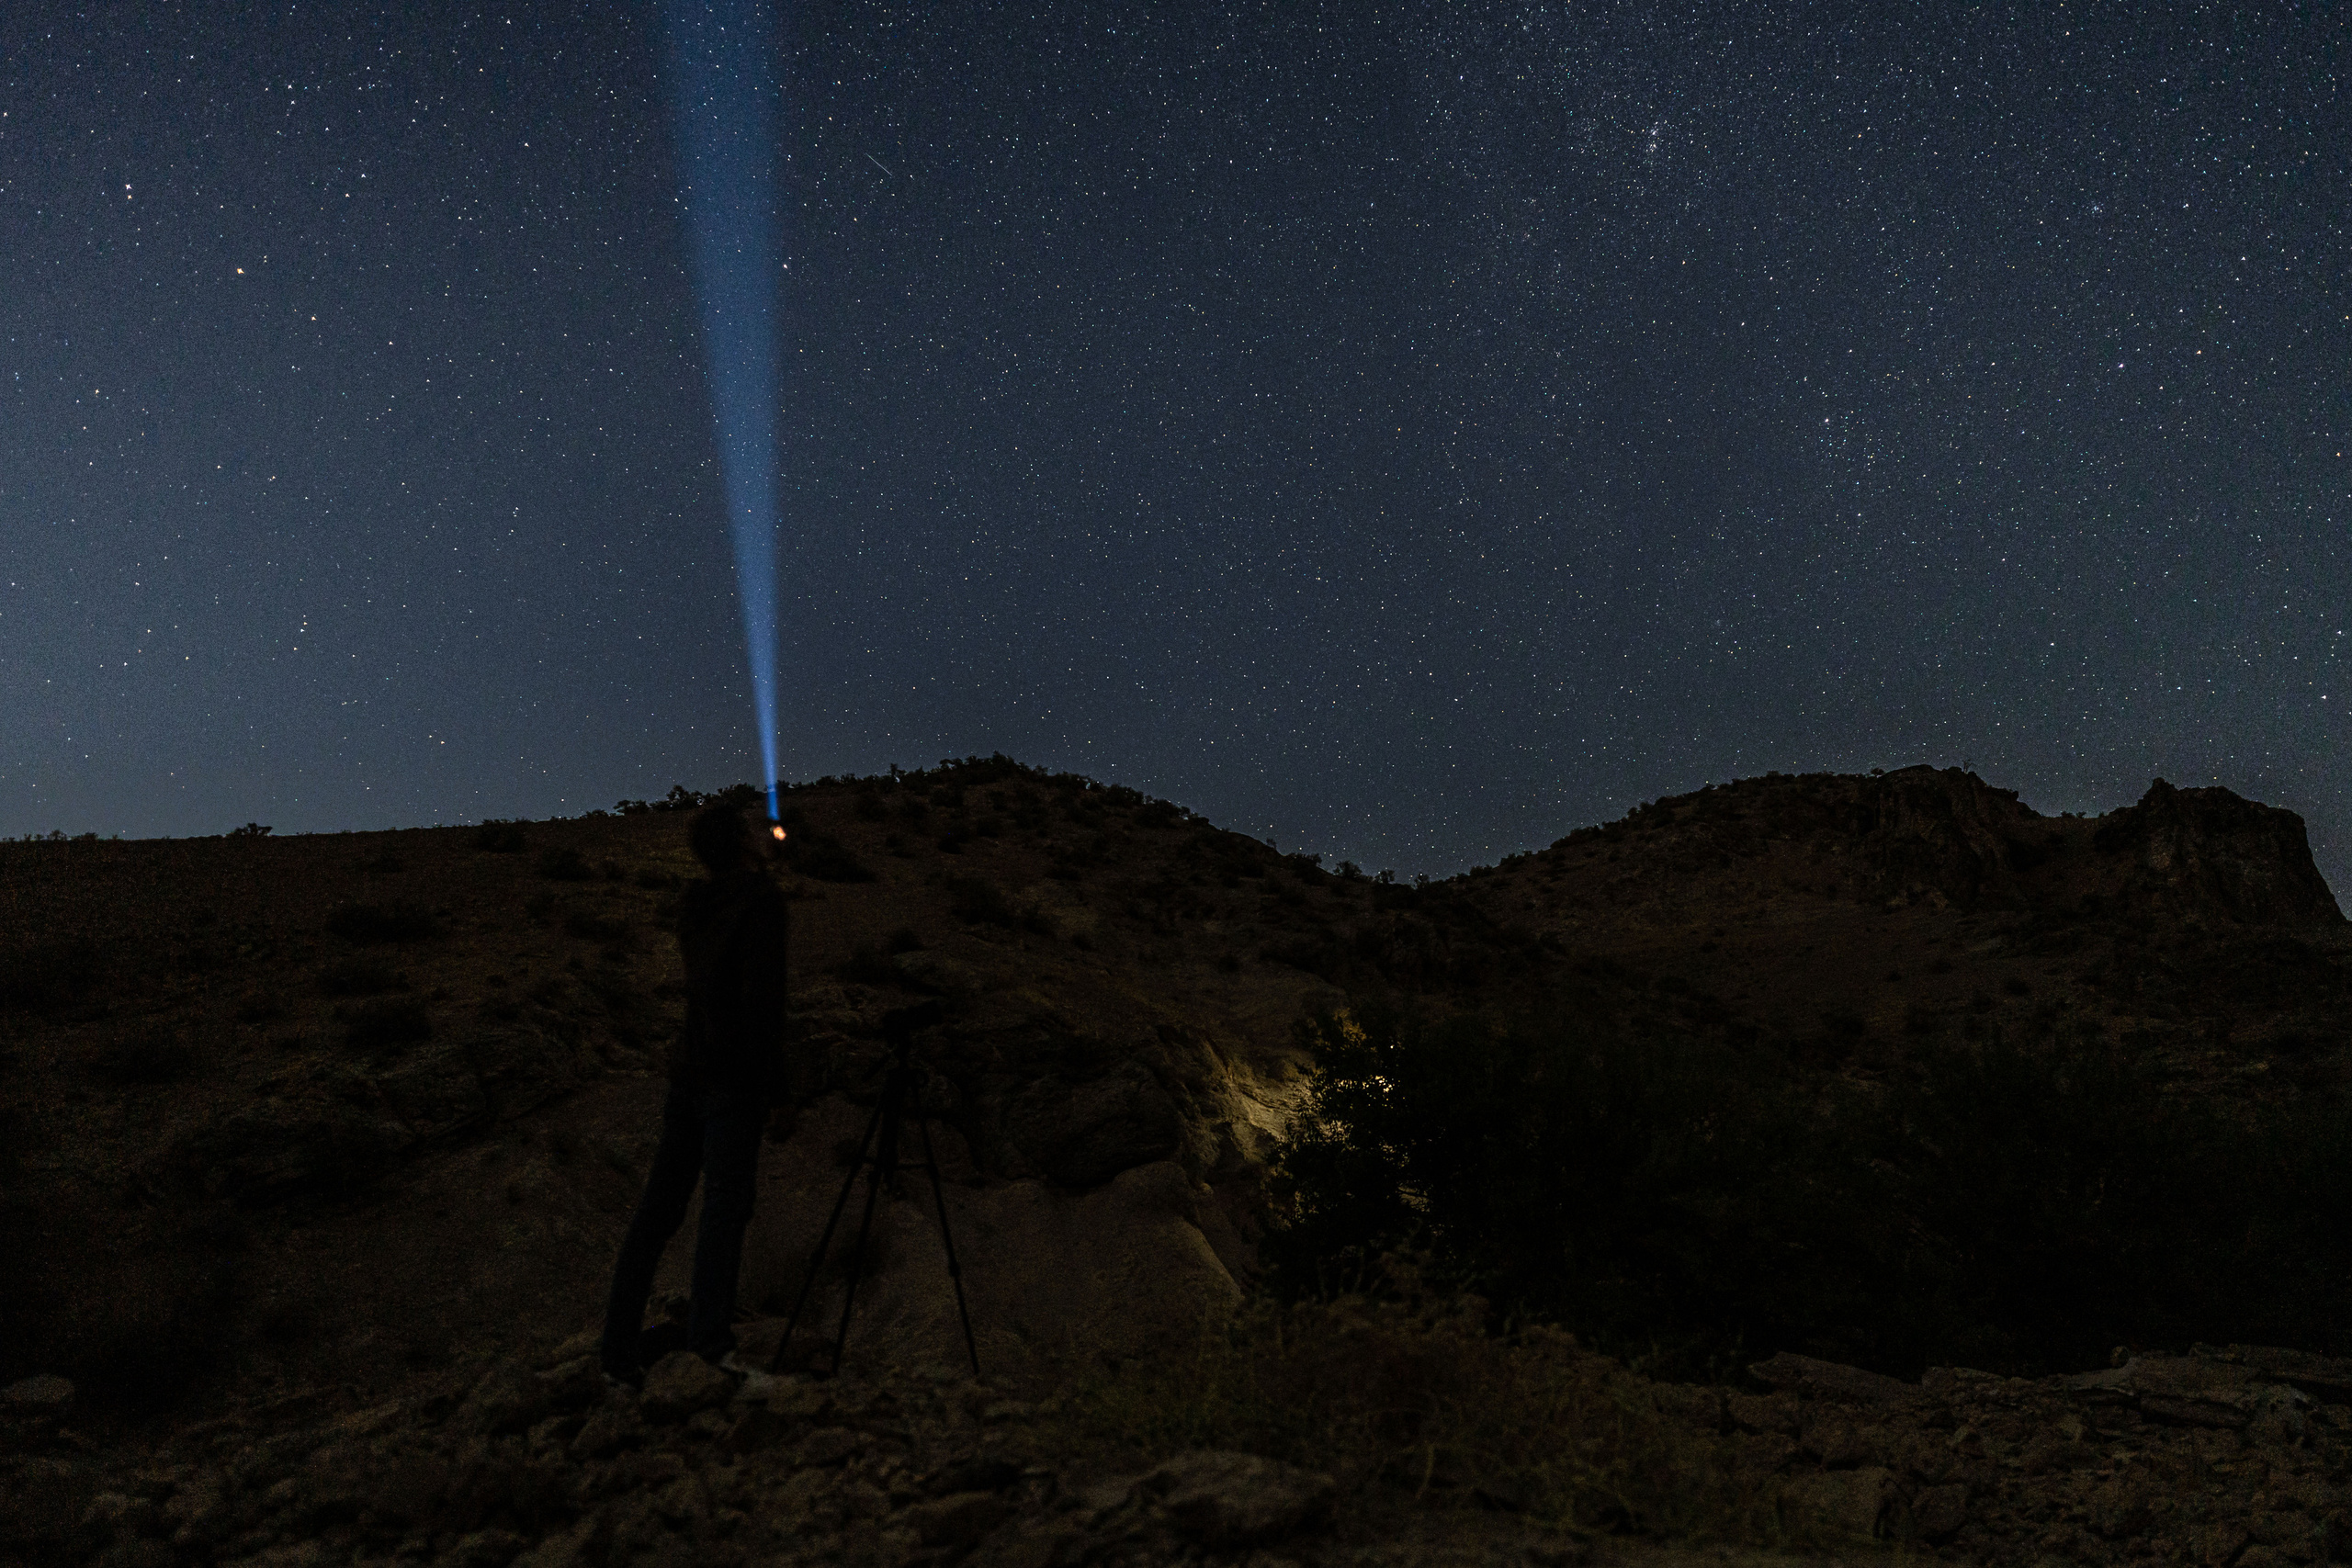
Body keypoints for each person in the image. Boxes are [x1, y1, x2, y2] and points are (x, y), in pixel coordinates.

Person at [600, 802, 794, 1390]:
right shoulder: (760, 903)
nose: (768, 832)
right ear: (739, 842)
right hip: (732, 1079)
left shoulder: (696, 905)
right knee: (725, 1207)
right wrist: (775, 1085)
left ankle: (617, 1354)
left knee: (660, 1211)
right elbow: (761, 1002)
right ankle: (710, 1348)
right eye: (755, 827)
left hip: (689, 1072)